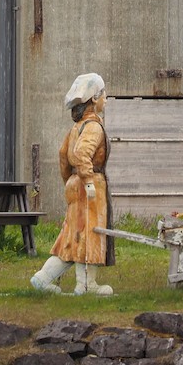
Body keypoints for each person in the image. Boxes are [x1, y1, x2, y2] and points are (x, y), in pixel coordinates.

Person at [30, 72, 115, 296]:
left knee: (71, 236)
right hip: (90, 185)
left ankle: (43, 278)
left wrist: (70, 180)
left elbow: (62, 155)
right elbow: (79, 154)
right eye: (103, 94)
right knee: (91, 233)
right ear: (94, 99)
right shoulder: (93, 126)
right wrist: (87, 181)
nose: (106, 98)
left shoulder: (76, 127)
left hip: (75, 184)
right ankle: (86, 285)